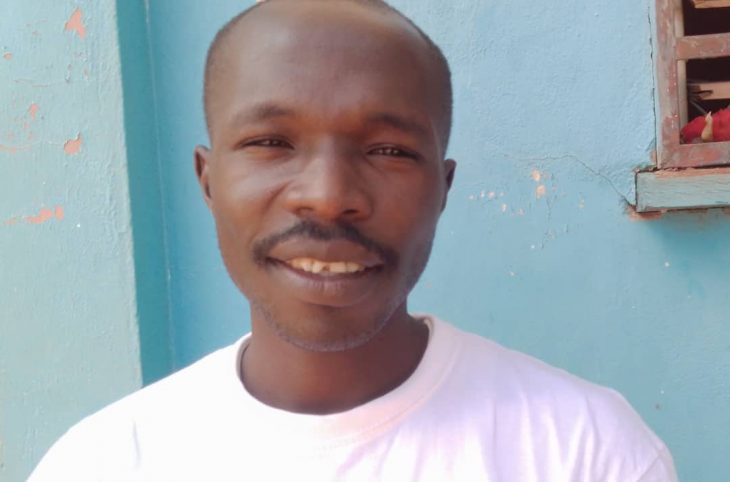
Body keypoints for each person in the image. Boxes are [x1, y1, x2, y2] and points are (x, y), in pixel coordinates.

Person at [30, 0, 678, 480]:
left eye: (389, 150)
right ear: (208, 180)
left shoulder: (585, 452)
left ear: (442, 188)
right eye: (271, 143)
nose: (328, 194)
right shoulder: (102, 464)